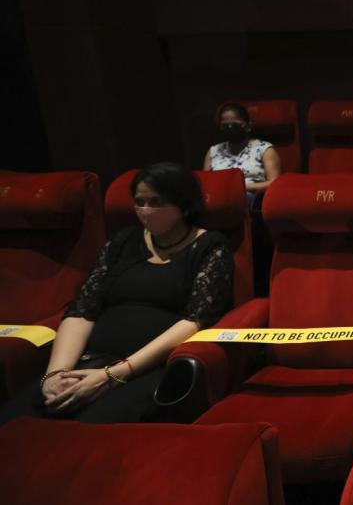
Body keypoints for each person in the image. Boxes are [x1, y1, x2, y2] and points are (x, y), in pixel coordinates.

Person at [0, 162, 233, 424]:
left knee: (81, 432)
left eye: (155, 202)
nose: (145, 211)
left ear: (183, 204)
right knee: (13, 422)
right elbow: (82, 310)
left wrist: (114, 374)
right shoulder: (122, 242)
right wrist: (55, 374)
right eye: (139, 202)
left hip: (148, 369)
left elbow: (194, 321)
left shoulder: (210, 247)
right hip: (87, 362)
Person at [204, 102, 281, 205]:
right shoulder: (213, 151)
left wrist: (241, 187)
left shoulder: (264, 149)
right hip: (217, 199)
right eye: (225, 126)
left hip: (251, 198)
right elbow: (205, 183)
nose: (230, 128)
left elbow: (275, 183)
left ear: (248, 125)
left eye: (235, 125)